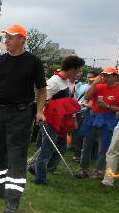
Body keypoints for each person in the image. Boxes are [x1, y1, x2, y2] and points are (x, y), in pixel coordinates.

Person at [0, 24, 46, 213]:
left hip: (21, 114)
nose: (6, 40)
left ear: (22, 39)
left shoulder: (34, 62)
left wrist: (40, 111)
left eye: (10, 37)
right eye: (5, 37)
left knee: (17, 156)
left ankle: (12, 200)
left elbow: (41, 90)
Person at [30, 55, 84, 185]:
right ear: (72, 69)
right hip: (50, 120)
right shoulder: (54, 81)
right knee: (47, 150)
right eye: (78, 70)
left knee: (61, 148)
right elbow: (42, 99)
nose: (79, 73)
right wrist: (60, 105)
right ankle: (39, 178)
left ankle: (34, 167)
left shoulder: (65, 81)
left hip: (60, 120)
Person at [75, 67, 119, 179]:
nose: (105, 78)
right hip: (93, 118)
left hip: (108, 120)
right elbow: (87, 97)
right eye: (104, 75)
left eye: (108, 76)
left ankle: (97, 170)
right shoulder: (98, 87)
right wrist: (94, 84)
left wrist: (107, 106)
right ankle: (83, 168)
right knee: (86, 145)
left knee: (103, 147)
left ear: (115, 77)